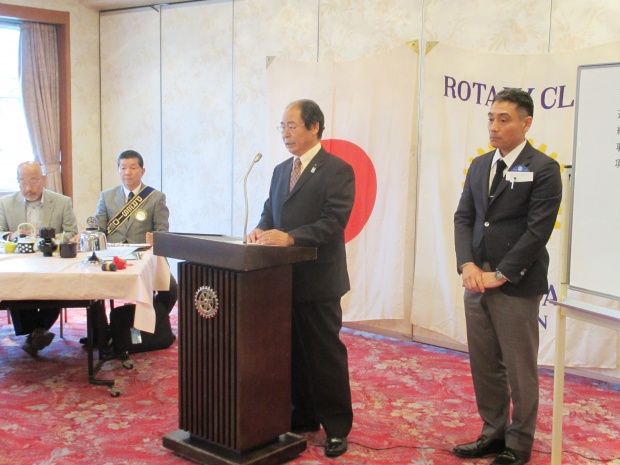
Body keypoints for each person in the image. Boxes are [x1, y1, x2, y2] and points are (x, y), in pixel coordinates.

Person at [453, 89, 562, 465]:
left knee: (519, 367)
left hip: (515, 284)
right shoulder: (480, 165)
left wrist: (502, 274)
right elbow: (464, 218)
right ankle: (493, 433)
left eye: (504, 119)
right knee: (484, 364)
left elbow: (537, 231)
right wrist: (467, 265)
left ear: (526, 123)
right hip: (476, 281)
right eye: (491, 119)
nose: (494, 127)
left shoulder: (544, 168)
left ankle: (519, 443)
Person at [248, 99, 355, 458]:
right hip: (281, 281)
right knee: (291, 353)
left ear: (314, 127)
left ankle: (336, 427)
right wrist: (261, 228)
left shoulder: (337, 170)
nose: (285, 133)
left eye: (291, 126)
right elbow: (270, 211)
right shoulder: (281, 170)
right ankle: (304, 415)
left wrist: (291, 238)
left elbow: (333, 222)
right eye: (282, 127)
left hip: (318, 280)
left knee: (324, 355)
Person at [94, 150, 177, 349]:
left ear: (142, 171)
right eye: (123, 168)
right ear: (118, 170)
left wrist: (155, 237)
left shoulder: (155, 197)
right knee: (91, 286)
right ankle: (101, 333)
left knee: (171, 288)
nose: (127, 172)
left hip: (144, 256)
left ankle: (153, 324)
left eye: (132, 167)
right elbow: (98, 229)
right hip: (112, 257)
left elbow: (162, 230)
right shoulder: (107, 196)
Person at [0, 161, 78, 356]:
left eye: (33, 181)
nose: (28, 188)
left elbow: (72, 232)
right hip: (19, 262)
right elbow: (0, 232)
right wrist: (12, 235)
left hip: (52, 260)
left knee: (58, 286)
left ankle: (34, 335)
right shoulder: (5, 203)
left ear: (43, 179)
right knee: (14, 284)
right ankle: (37, 332)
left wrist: (49, 239)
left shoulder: (62, 202)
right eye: (22, 182)